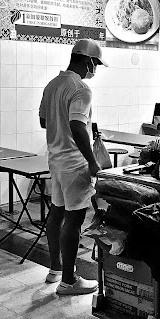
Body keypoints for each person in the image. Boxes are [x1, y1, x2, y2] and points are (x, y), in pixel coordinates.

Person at [39, 38, 108, 295]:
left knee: (57, 213)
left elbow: (43, 121)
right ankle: (68, 280)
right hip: (74, 164)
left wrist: (62, 128)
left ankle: (55, 268)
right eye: (96, 64)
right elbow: (78, 126)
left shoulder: (52, 84)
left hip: (55, 161)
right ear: (88, 60)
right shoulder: (81, 89)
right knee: (75, 218)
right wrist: (92, 162)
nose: (96, 70)